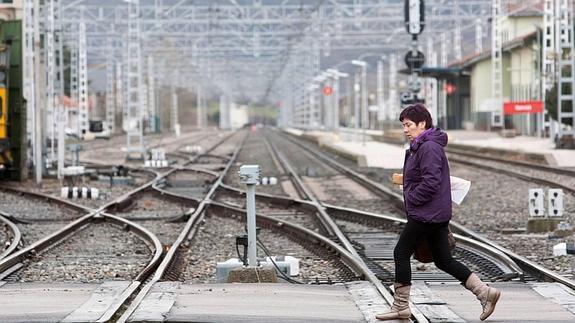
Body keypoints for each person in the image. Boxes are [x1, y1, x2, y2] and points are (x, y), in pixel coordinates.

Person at [376, 103, 501, 321]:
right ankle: (485, 292)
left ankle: (400, 306)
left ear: (422, 124)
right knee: (443, 260)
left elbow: (431, 181)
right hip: (433, 212)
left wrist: (412, 196)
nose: (405, 129)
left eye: (408, 125)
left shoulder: (428, 147)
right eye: (404, 125)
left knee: (401, 252)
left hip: (427, 213)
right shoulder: (423, 145)